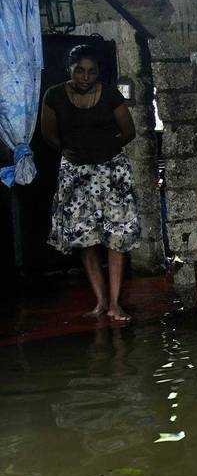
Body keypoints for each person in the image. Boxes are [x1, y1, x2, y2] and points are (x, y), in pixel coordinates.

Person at [40, 44, 140, 322]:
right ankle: (100, 301)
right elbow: (48, 133)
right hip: (76, 173)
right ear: (69, 68)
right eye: (79, 70)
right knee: (87, 239)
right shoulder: (55, 95)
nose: (85, 76)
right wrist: (73, 151)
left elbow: (128, 131)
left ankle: (115, 304)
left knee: (116, 238)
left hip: (112, 173)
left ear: (98, 72)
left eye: (91, 71)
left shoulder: (109, 95)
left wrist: (104, 148)